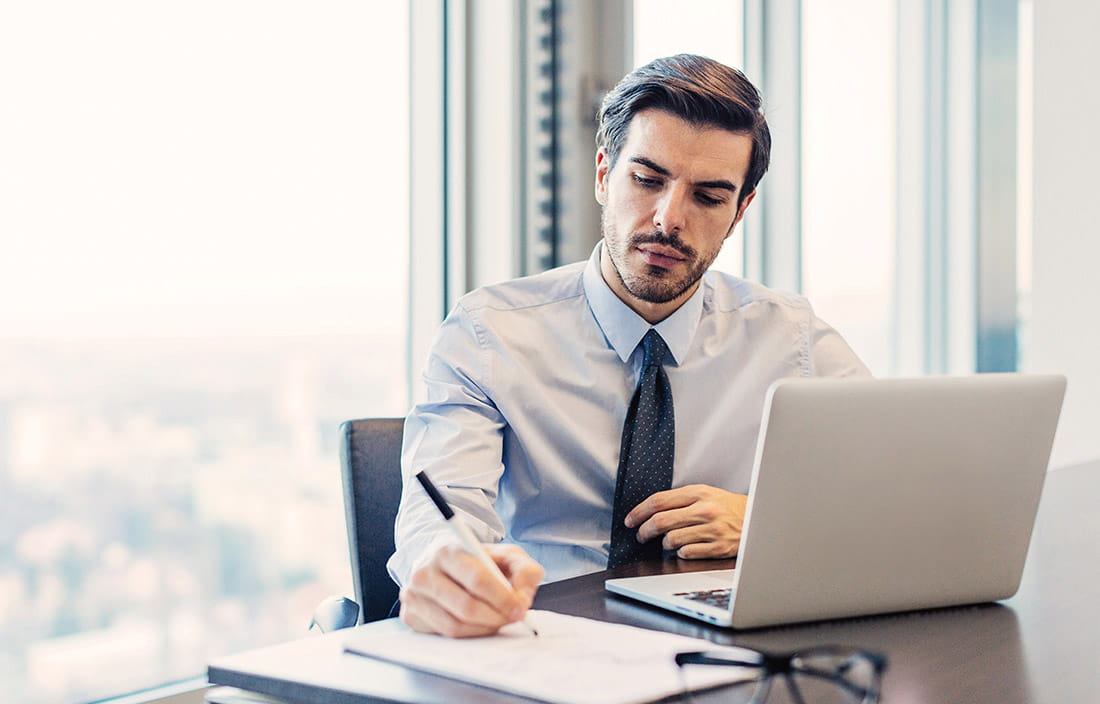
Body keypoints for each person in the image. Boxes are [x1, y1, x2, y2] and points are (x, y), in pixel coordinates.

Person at [387, 54, 869, 637]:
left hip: (722, 645)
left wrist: (770, 521)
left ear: (739, 212)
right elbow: (440, 509)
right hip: (541, 636)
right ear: (602, 175)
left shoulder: (790, 338)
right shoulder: (489, 332)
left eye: (709, 197)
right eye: (647, 180)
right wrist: (449, 568)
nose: (669, 219)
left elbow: (892, 494)